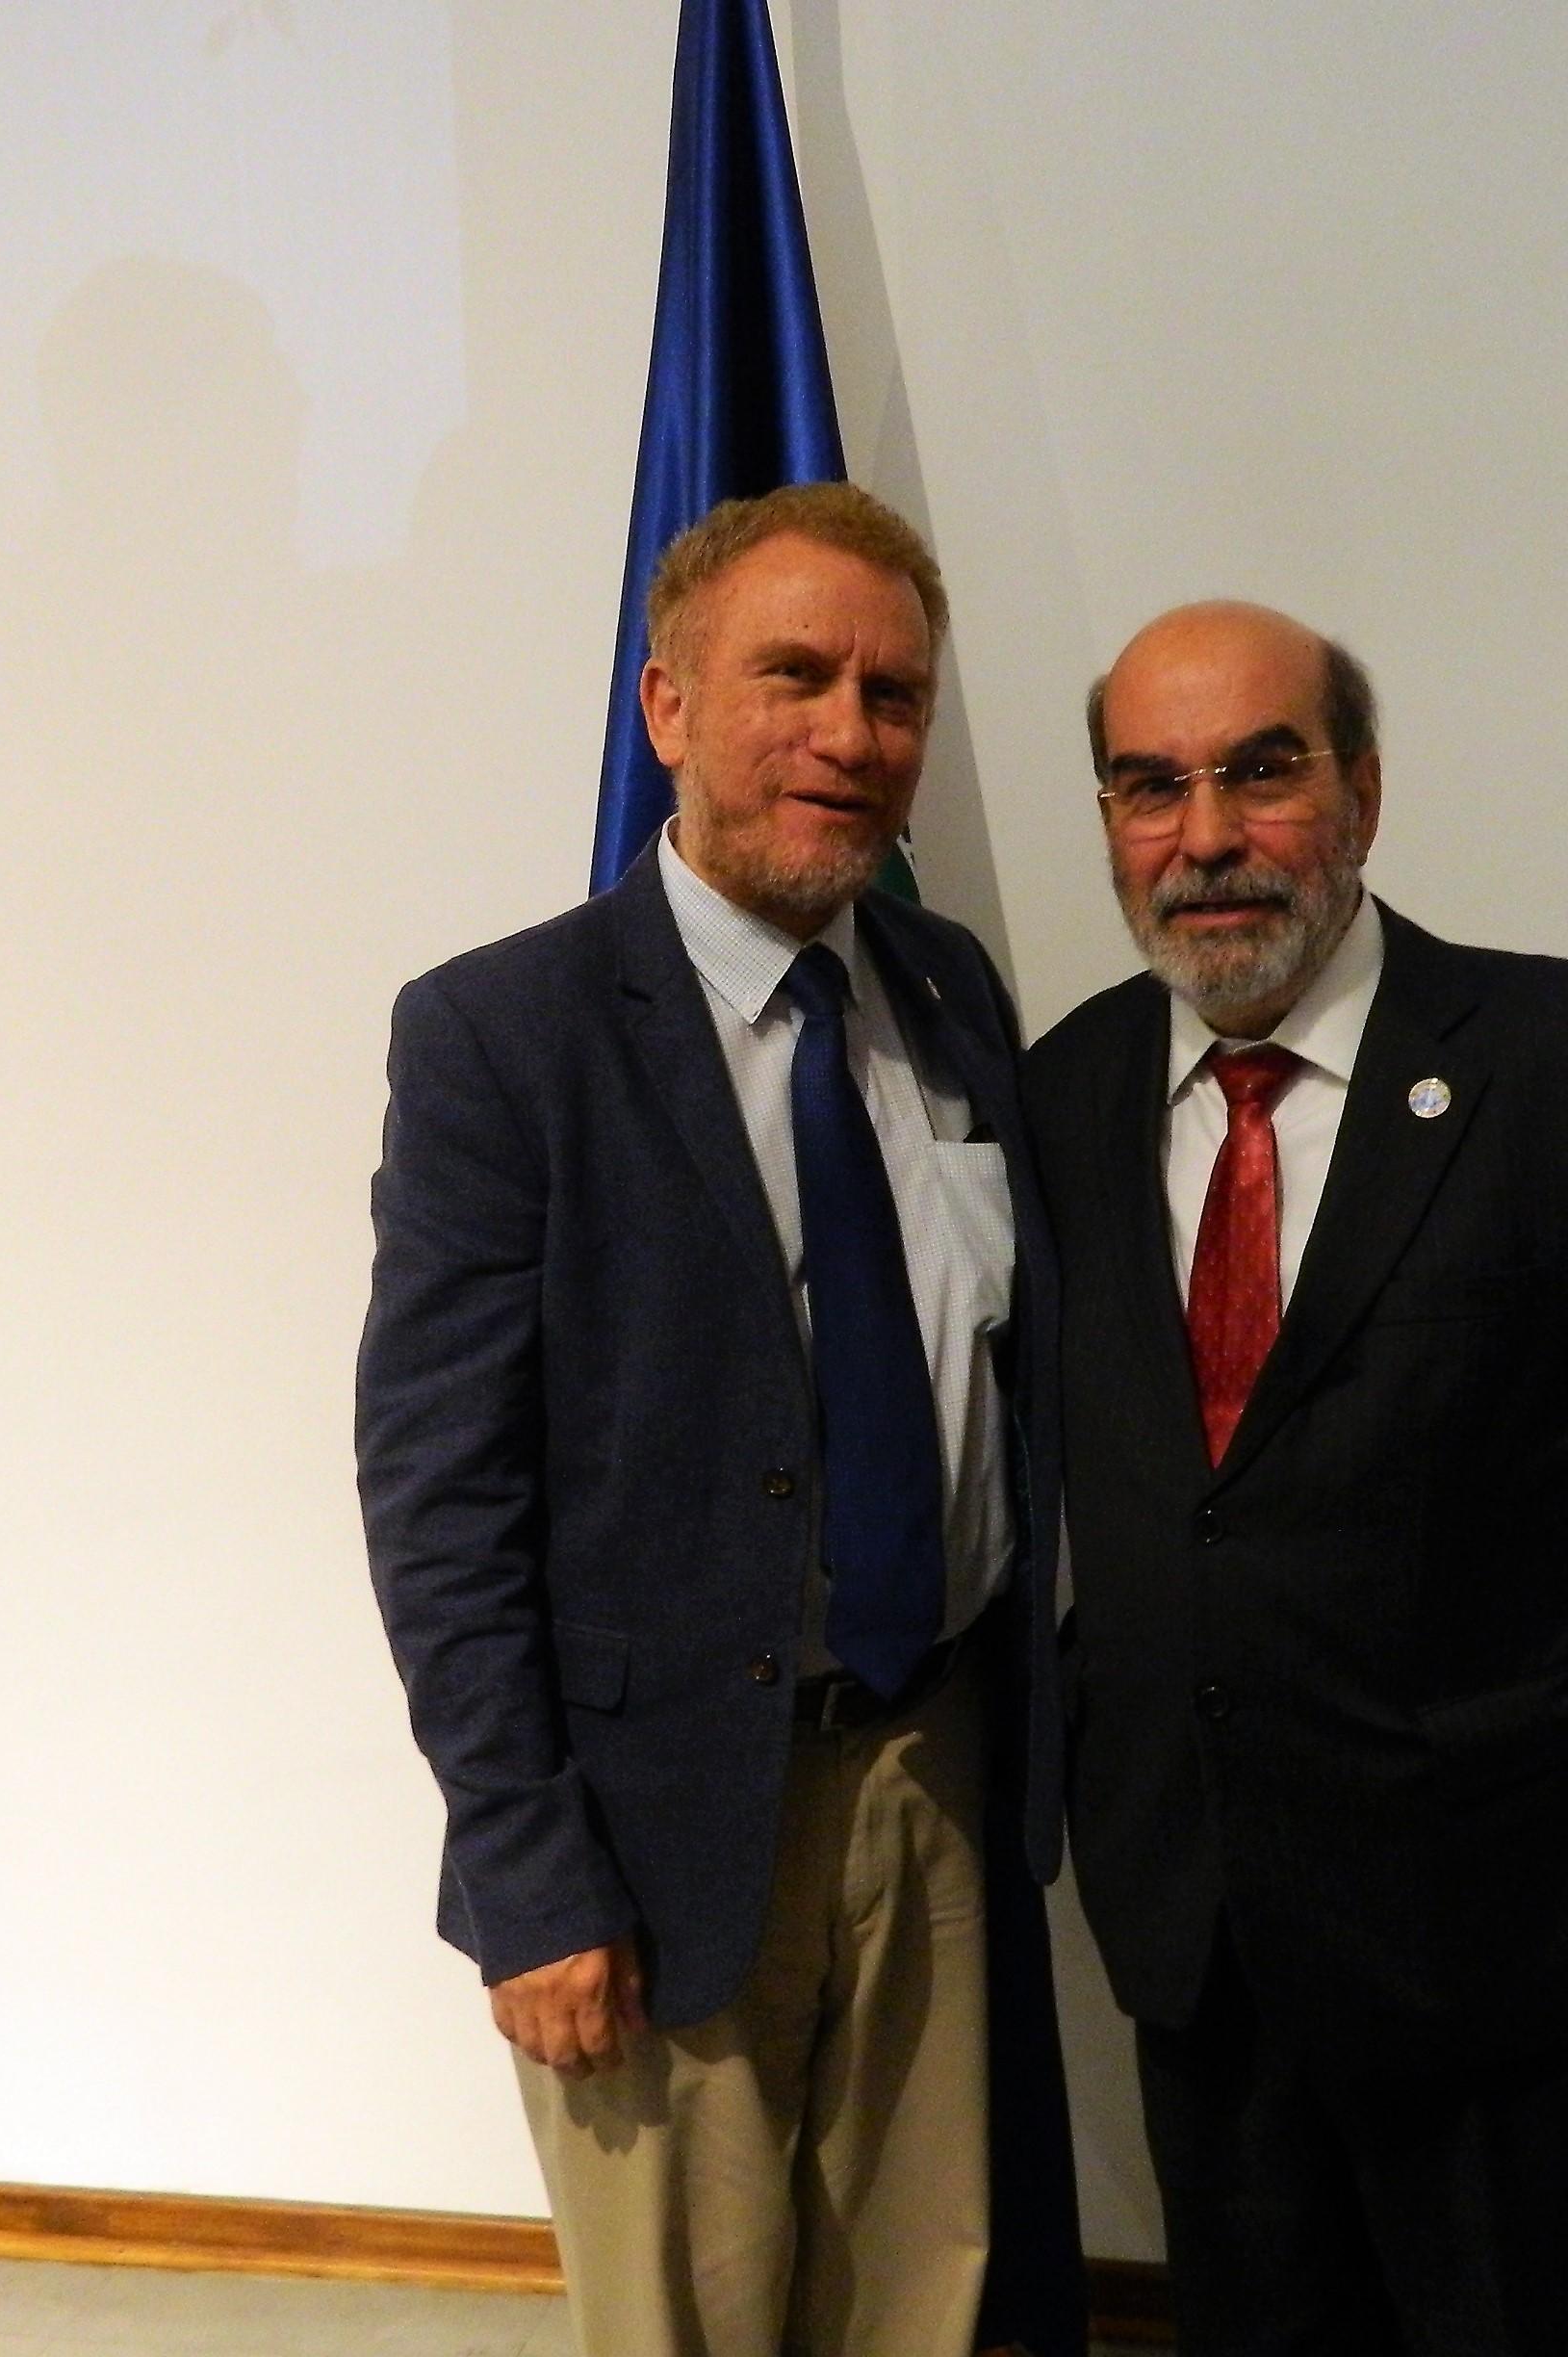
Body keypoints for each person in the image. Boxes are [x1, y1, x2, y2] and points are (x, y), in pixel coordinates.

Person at [1024, 601, 1568, 2355]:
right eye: (1150, 787)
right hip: (1206, 1936)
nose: (1208, 837)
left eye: (1261, 771)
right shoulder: (1061, 1094)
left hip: (1519, 1941)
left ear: (1365, 793)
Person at [354, 483, 1081, 2357]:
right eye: (797, 676)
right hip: (652, 1829)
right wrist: (526, 1874)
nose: (852, 734)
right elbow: (439, 1491)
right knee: (694, 2326)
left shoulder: (947, 997)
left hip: (932, 1775)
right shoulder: (506, 1036)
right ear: (669, 705)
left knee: (924, 2305)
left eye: (896, 694)